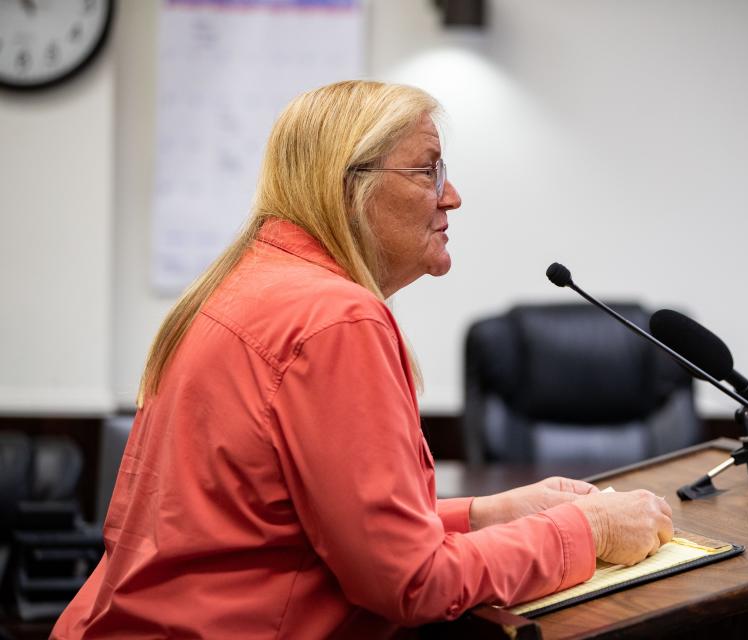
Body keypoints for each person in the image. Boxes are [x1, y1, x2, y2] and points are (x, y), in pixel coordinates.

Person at [53, 80, 673, 639]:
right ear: (350, 188)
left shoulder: (246, 284)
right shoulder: (335, 319)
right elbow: (414, 583)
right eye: (428, 172)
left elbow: (297, 525)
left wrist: (486, 514)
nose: (451, 196)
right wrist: (588, 531)